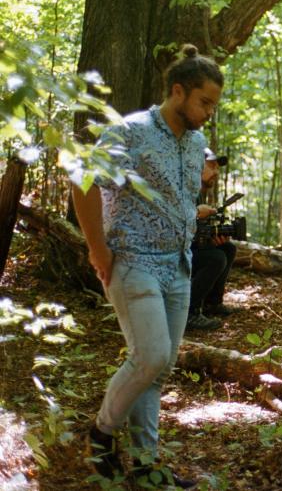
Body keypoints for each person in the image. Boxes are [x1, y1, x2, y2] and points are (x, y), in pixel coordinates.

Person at [72, 44, 223, 487]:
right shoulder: (131, 131)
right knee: (150, 355)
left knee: (160, 367)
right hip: (133, 261)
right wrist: (97, 250)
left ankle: (144, 464)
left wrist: (199, 184)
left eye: (214, 103)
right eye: (204, 102)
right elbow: (83, 183)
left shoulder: (195, 141)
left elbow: (185, 190)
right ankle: (100, 433)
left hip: (179, 264)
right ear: (178, 92)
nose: (209, 112)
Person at [186, 148, 238, 331]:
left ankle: (212, 303)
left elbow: (194, 230)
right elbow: (171, 220)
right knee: (216, 258)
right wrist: (195, 213)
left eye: (217, 168)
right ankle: (188, 313)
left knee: (227, 249)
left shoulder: (199, 191)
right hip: (169, 251)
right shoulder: (183, 187)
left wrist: (212, 237)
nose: (216, 172)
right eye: (212, 166)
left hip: (186, 246)